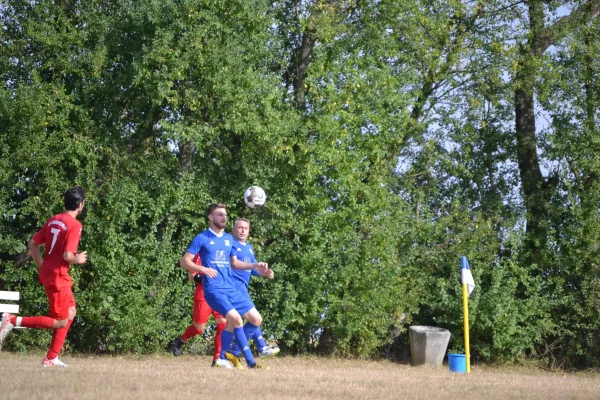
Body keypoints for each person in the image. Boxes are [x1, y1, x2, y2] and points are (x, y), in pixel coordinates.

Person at [0, 187, 87, 367]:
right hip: (58, 277)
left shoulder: (53, 220)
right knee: (60, 321)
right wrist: (78, 259)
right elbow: (67, 256)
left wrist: (42, 266)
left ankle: (51, 358)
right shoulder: (75, 225)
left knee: (71, 311)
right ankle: (12, 320)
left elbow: (32, 244)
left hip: (51, 273)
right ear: (80, 204)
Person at [179, 203, 269, 369]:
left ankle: (226, 356)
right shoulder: (202, 238)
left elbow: (235, 264)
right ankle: (249, 362)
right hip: (214, 289)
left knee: (256, 319)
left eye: (225, 215)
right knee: (235, 319)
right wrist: (203, 269)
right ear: (211, 217)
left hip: (230, 289)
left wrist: (255, 266)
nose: (224, 217)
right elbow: (185, 262)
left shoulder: (229, 239)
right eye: (220, 214)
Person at [225, 218, 279, 369]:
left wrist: (266, 273)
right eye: (240, 227)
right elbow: (234, 264)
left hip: (243, 289)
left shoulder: (248, 247)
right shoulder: (231, 244)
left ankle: (234, 354)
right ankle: (240, 351)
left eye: (246, 228)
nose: (242, 230)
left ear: (249, 231)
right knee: (255, 319)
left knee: (244, 321)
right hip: (234, 289)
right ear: (234, 229)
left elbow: (253, 270)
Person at [169, 253, 227, 367]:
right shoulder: (200, 255)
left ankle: (217, 359)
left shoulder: (223, 252)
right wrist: (209, 279)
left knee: (222, 325)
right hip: (204, 293)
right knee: (198, 328)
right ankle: (181, 340)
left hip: (220, 294)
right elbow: (191, 276)